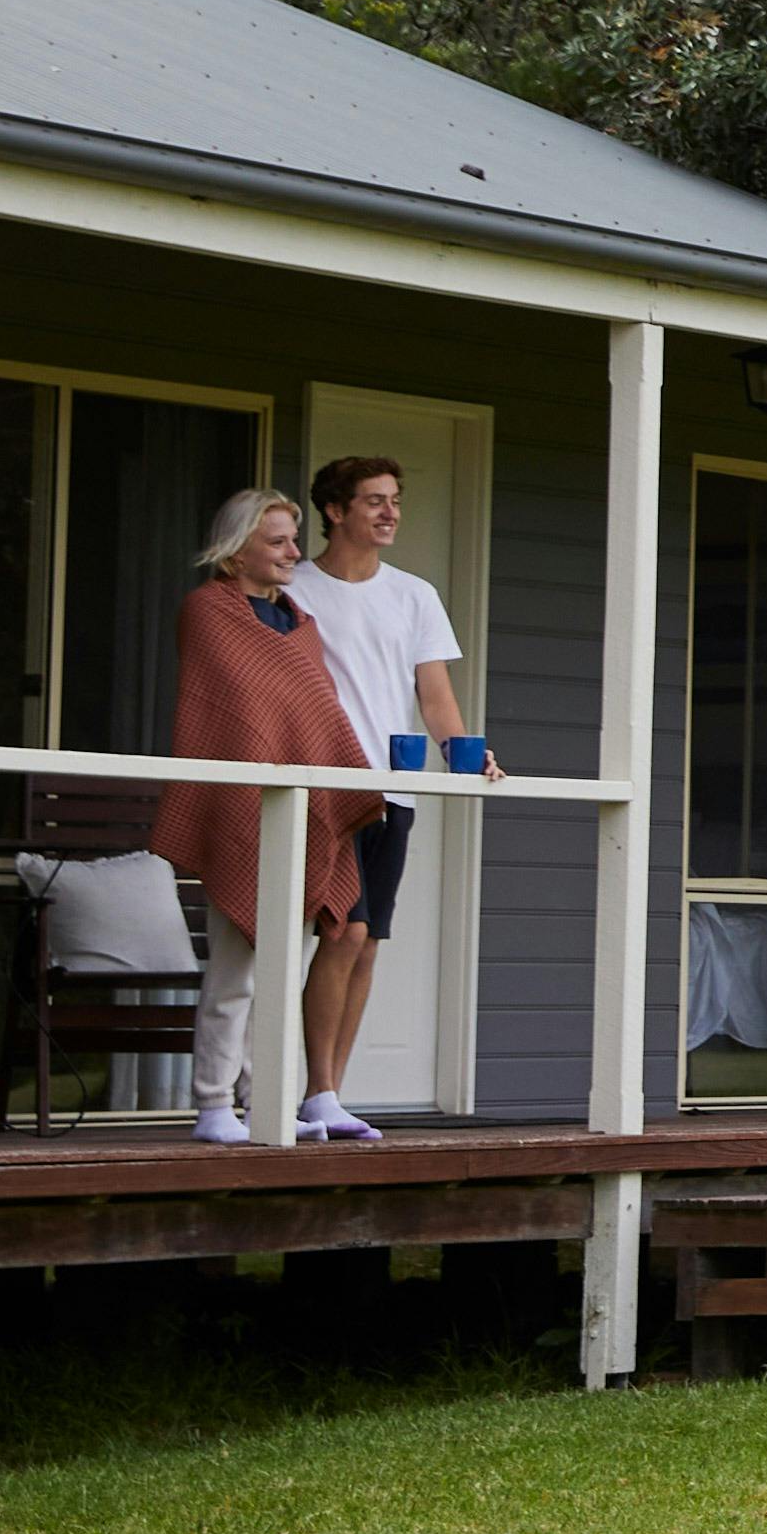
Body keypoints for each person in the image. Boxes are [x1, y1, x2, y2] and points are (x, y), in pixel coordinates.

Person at [152, 483, 387, 1146]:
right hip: (243, 815)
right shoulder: (209, 612)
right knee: (235, 973)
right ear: (235, 552)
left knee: (282, 972)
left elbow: (312, 717)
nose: (292, 552)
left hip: (302, 818)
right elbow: (241, 719)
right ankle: (211, 1105)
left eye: (293, 539)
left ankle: (263, 1102)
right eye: (277, 541)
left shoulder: (298, 622)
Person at [286, 452, 469, 1117]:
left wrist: (467, 759)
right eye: (373, 500)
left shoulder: (414, 594)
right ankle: (318, 1090)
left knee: (370, 941)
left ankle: (328, 1093)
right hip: (326, 790)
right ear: (335, 511)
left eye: (395, 499)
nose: (390, 511)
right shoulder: (295, 591)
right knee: (345, 933)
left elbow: (436, 697)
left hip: (395, 791)